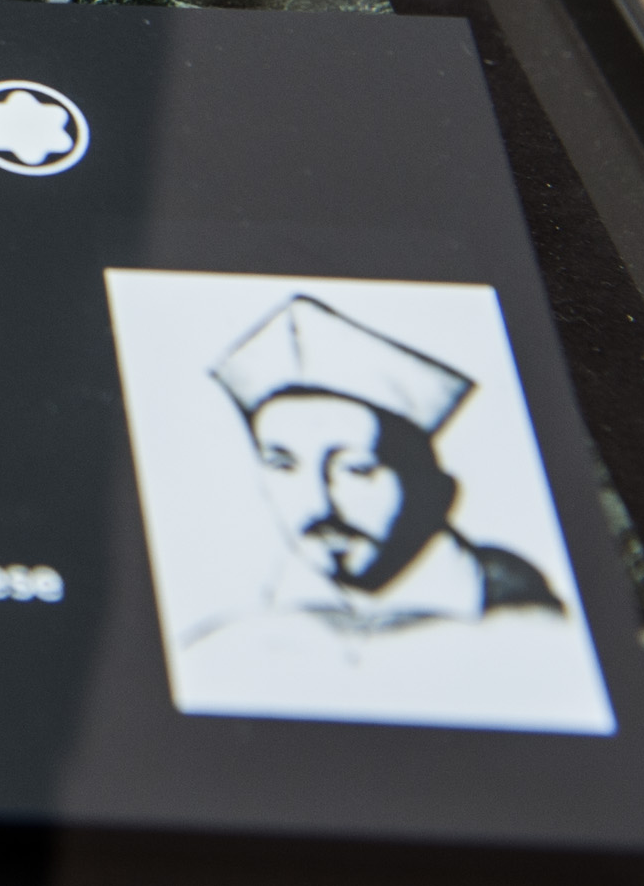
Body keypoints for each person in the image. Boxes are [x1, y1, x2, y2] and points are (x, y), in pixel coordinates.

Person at [169, 293, 613, 731]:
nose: (319, 504)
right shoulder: (224, 649)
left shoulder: (536, 635)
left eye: (356, 469)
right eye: (283, 465)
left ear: (436, 491)